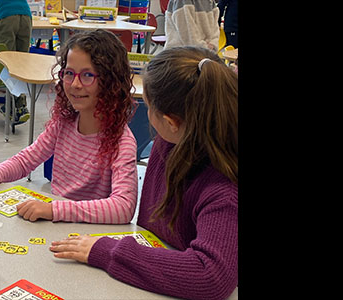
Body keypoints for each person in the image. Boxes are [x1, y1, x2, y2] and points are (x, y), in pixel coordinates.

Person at [49, 46, 237, 299]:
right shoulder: (171, 141)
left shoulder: (225, 189)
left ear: (171, 123)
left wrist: (108, 251)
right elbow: (153, 231)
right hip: (158, 273)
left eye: (148, 107)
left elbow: (210, 276)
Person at [0, 30, 138, 224]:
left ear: (111, 81)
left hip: (87, 234)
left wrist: (54, 209)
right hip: (56, 225)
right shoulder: (64, 122)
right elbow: (26, 159)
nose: (75, 84)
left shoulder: (122, 141)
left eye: (88, 75)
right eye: (69, 74)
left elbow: (123, 208)